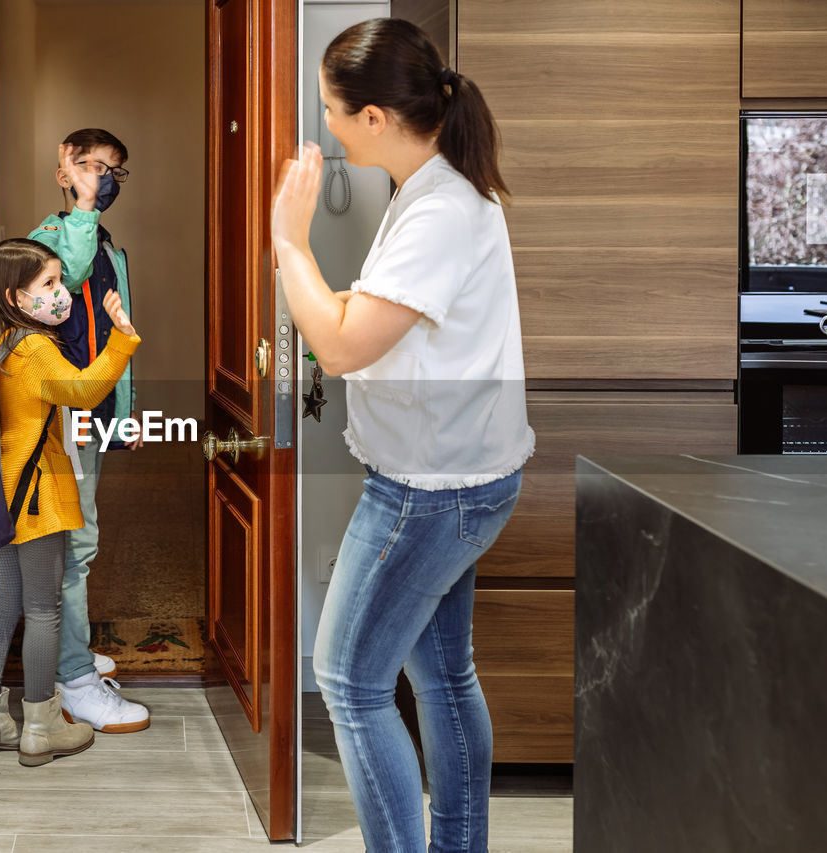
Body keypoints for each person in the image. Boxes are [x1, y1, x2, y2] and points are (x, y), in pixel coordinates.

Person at [270, 18, 535, 852]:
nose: (326, 127)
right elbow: (367, 320)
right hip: (463, 478)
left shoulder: (441, 212)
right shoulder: (432, 191)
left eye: (330, 110)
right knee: (444, 676)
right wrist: (333, 303)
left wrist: (287, 242)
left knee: (348, 680)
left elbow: (342, 343)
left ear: (374, 117)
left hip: (431, 493)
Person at [0, 238, 141, 766]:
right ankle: (41, 725)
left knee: (6, 599)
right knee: (43, 610)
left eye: (60, 281)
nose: (61, 294)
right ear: (16, 295)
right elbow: (81, 392)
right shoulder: (33, 349)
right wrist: (122, 340)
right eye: (50, 285)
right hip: (35, 499)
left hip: (1, 495)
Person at [26, 129, 150, 734]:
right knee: (73, 550)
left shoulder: (105, 244)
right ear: (63, 172)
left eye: (113, 172)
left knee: (83, 542)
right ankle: (74, 679)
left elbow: (110, 332)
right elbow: (66, 279)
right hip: (62, 417)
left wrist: (121, 417)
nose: (102, 180)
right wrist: (81, 205)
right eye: (89, 167)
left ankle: (66, 653)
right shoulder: (50, 240)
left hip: (90, 411)